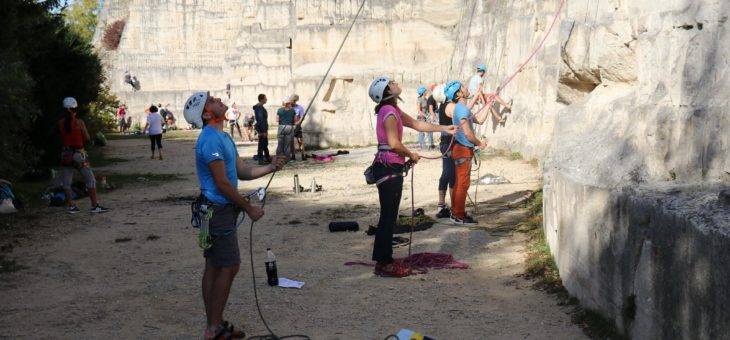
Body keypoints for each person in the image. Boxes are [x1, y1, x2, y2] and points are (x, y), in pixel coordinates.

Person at [183, 91, 287, 340]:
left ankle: (213, 325)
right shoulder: (209, 140)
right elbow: (222, 184)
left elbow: (241, 172)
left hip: (218, 210)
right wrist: (248, 207)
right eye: (211, 100)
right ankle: (213, 328)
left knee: (215, 265)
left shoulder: (223, 136)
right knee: (228, 265)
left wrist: (271, 167)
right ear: (207, 114)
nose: (217, 99)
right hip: (217, 210)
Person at [367, 76, 455, 277]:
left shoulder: (393, 110)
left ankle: (384, 260)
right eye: (391, 83)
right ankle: (383, 263)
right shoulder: (389, 112)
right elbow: (394, 143)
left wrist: (444, 128)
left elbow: (417, 124)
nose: (395, 82)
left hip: (390, 167)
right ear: (387, 92)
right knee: (388, 217)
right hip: (388, 167)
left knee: (389, 215)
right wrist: (411, 154)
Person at [444, 81, 492, 225]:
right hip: (462, 150)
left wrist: (489, 104)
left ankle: (457, 212)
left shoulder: (462, 109)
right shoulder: (462, 110)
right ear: (459, 93)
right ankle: (458, 215)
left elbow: (481, 120)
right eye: (464, 87)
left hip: (462, 149)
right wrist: (480, 143)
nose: (467, 88)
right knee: (462, 183)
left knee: (461, 183)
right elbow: (469, 134)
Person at [57, 97, 109, 214]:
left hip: (66, 154)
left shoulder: (60, 123)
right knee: (90, 180)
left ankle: (71, 206)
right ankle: (94, 206)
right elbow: (87, 137)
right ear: (75, 109)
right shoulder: (79, 122)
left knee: (67, 182)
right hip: (79, 155)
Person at [433, 84, 455, 218]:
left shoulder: (444, 105)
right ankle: (441, 205)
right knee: (448, 172)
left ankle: (452, 205)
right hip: (448, 143)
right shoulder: (447, 106)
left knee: (452, 174)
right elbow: (465, 113)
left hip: (448, 142)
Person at [253, 94, 271, 165]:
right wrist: (263, 131)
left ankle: (267, 157)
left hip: (263, 128)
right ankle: (260, 159)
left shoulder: (260, 107)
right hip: (262, 128)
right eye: (265, 98)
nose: (266, 99)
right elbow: (260, 120)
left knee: (264, 143)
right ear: (262, 99)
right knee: (262, 144)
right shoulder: (259, 108)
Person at [416, 86, 435, 150]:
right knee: (421, 132)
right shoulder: (419, 100)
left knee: (430, 130)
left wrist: (429, 116)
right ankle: (422, 146)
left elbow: (428, 109)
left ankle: (431, 145)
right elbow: (419, 111)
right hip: (421, 118)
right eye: (425, 91)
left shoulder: (426, 100)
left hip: (426, 117)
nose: (426, 92)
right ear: (423, 92)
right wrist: (425, 116)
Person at [289, 94, 306, 161]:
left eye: (292, 101)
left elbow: (302, 117)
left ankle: (303, 155)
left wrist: (298, 123)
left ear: (295, 101)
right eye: (290, 100)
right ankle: (293, 155)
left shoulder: (300, 108)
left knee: (300, 141)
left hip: (297, 126)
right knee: (291, 142)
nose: (291, 102)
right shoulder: (289, 107)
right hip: (290, 126)